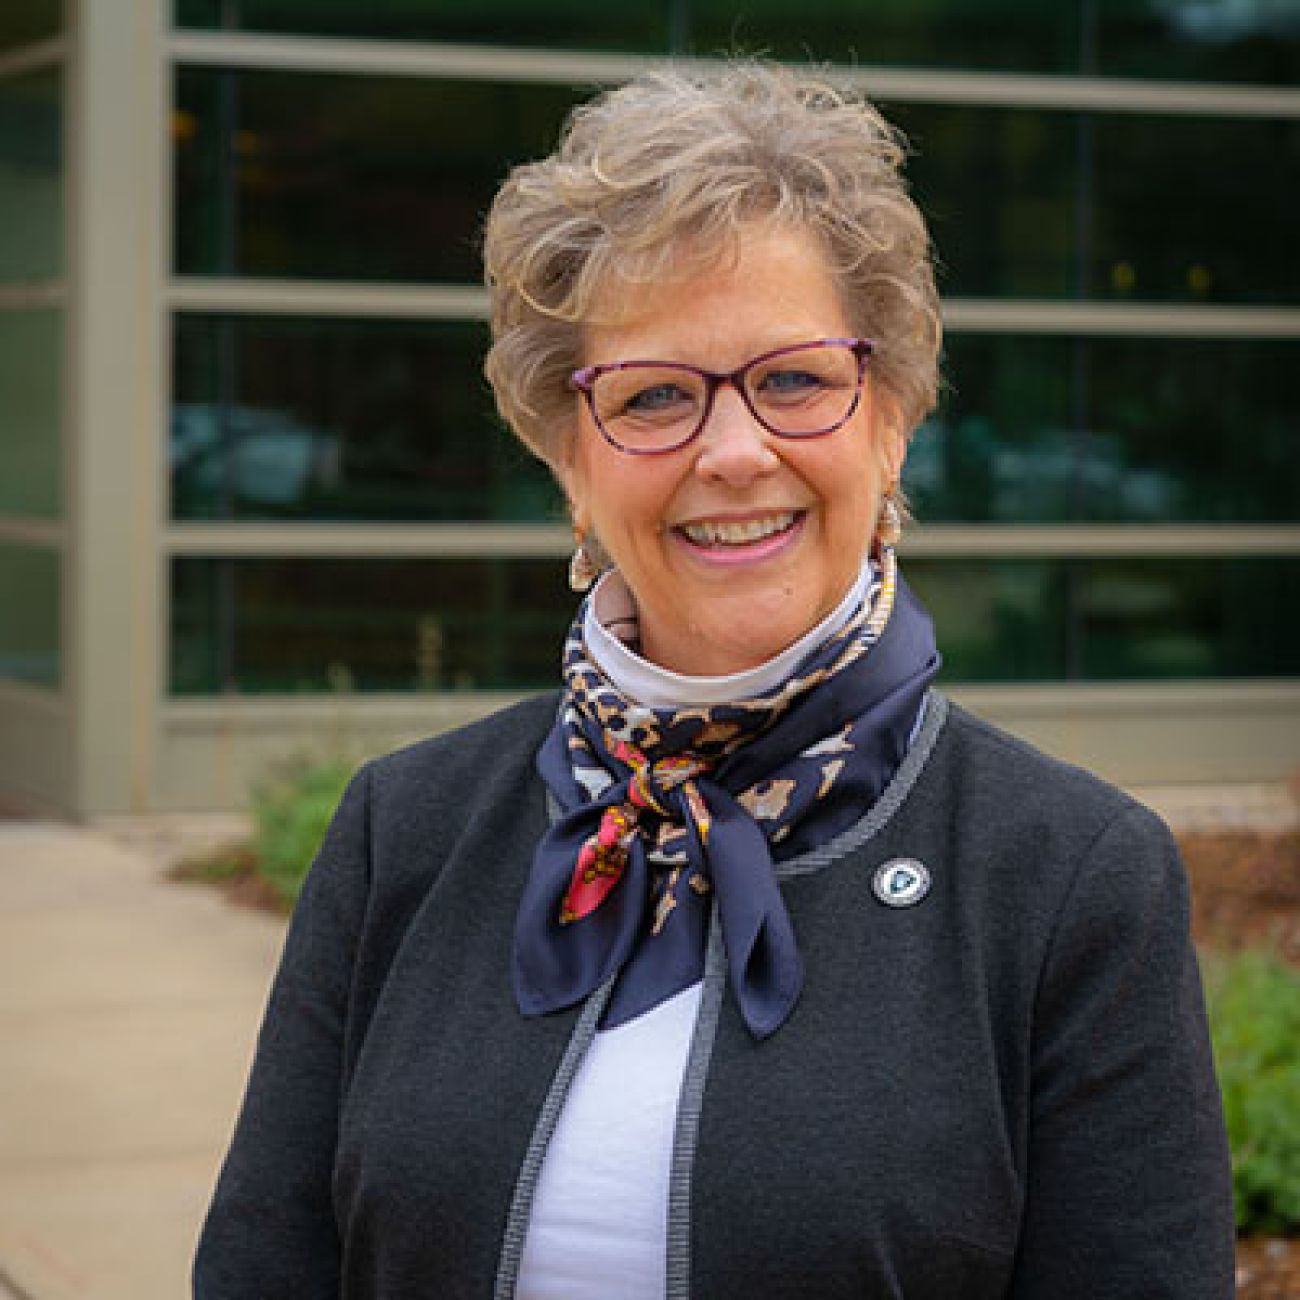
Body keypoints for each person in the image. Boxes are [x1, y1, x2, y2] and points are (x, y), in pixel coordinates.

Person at [193, 63, 1234, 1299]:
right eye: (654, 396)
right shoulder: (401, 831)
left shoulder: (1069, 878)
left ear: (890, 415)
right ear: (566, 457)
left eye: (793, 378)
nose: (733, 451)